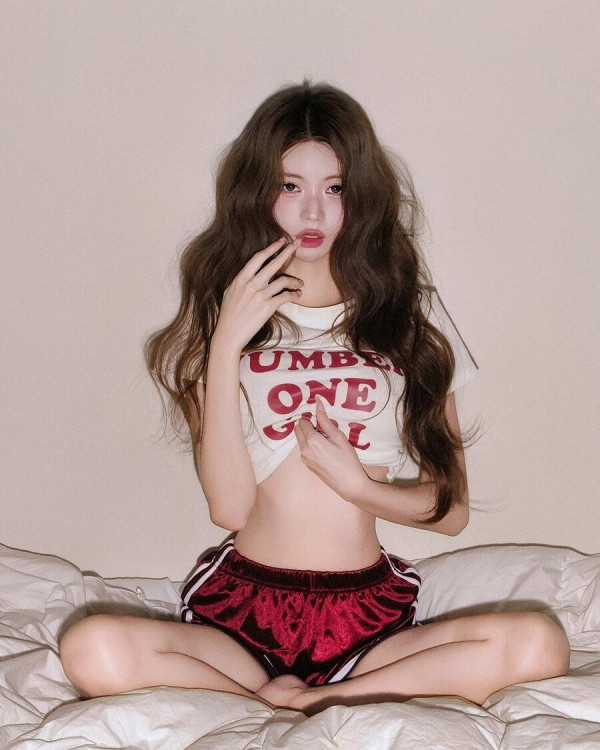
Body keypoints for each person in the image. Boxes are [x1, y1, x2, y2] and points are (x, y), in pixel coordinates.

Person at [59, 81, 569, 714]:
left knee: (540, 643)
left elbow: (451, 510)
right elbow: (229, 506)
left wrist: (360, 489)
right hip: (241, 616)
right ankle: (289, 695)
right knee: (90, 647)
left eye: (334, 188)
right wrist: (226, 343)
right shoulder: (220, 319)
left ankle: (303, 702)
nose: (312, 213)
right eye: (290, 186)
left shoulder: (405, 320)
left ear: (361, 197)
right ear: (258, 191)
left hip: (366, 615)